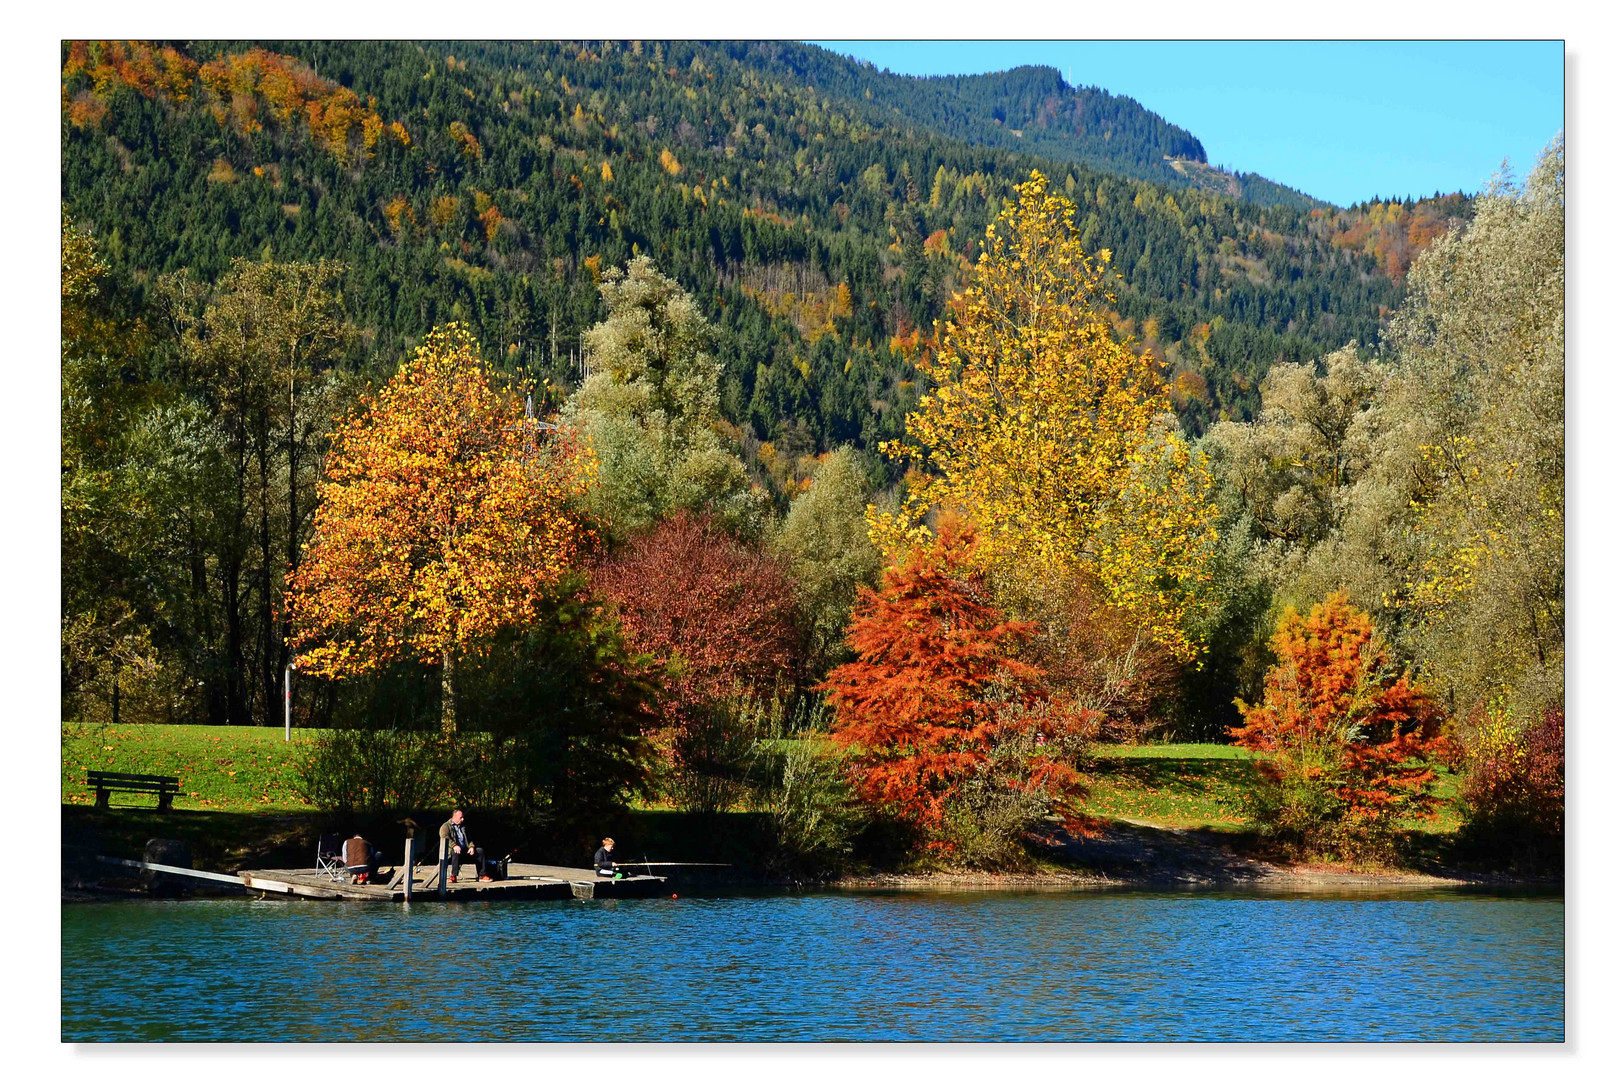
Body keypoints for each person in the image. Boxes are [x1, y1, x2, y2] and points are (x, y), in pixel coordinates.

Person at [439, 808, 491, 883]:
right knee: (455, 852)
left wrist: (471, 847)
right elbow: (445, 837)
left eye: (463, 817)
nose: (462, 819)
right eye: (461, 817)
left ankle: (482, 875)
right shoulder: (445, 827)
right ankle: (453, 875)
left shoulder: (463, 827)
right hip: (451, 852)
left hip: (464, 851)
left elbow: (469, 839)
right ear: (454, 817)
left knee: (480, 851)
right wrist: (454, 845)